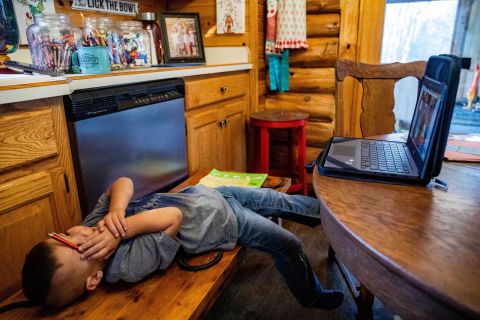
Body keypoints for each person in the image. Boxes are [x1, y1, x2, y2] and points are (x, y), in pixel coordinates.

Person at [21, 177, 344, 309]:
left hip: (210, 195)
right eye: (78, 247)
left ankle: (342, 219)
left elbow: (122, 183)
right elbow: (171, 217)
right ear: (93, 279)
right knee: (287, 243)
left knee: (279, 200)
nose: (79, 234)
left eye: (64, 234)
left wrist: (116, 210)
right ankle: (312, 295)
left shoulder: (96, 226)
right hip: (222, 223)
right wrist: (121, 229)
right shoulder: (125, 266)